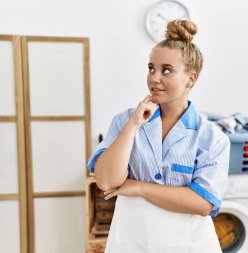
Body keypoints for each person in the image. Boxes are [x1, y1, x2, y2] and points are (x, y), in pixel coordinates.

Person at [87, 19, 230, 253]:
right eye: (151, 68)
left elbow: (203, 203)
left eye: (166, 70)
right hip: (132, 242)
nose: (154, 78)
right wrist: (133, 126)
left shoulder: (211, 138)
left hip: (189, 245)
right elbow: (106, 181)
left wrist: (139, 188)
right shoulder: (125, 121)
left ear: (191, 78)